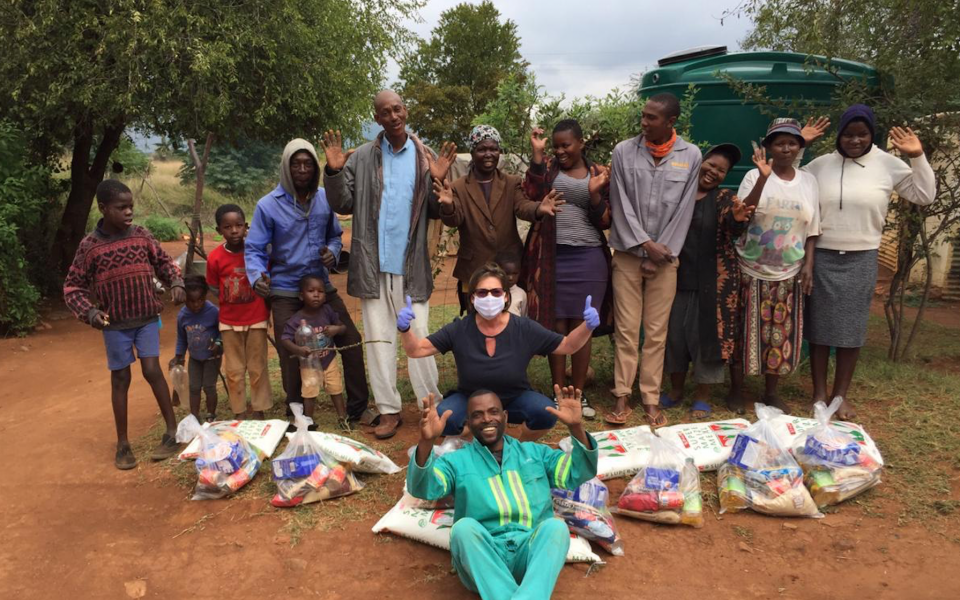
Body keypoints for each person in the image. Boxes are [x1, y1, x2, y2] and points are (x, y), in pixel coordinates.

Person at [321, 89, 458, 439]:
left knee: (421, 339)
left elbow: (437, 208)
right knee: (380, 340)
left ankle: (431, 404)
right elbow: (344, 202)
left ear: (405, 111)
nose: (393, 116)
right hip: (372, 266)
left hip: (412, 268)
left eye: (397, 109)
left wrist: (439, 180)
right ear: (377, 118)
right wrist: (335, 173)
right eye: (385, 112)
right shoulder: (363, 156)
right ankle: (388, 410)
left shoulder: (425, 157)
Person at [804, 105, 936, 419]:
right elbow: (788, 182)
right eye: (848, 134)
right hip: (821, 255)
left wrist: (917, 157)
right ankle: (820, 394)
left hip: (861, 256)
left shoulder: (887, 164)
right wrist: (801, 146)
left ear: (871, 135)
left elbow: (924, 194)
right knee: (820, 328)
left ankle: (840, 396)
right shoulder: (820, 165)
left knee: (852, 329)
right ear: (839, 134)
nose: (854, 140)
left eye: (862, 134)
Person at [407, 385, 598, 600]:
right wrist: (426, 441)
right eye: (477, 415)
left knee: (556, 528)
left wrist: (576, 427)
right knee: (463, 529)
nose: (487, 419)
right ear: (468, 424)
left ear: (505, 416)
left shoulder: (536, 453)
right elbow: (423, 488)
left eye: (493, 412)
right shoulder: (456, 461)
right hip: (484, 560)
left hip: (530, 557)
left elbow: (578, 472)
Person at [399, 262, 600, 440]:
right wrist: (405, 329)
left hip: (515, 396)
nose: (489, 297)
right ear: (472, 298)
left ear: (505, 297)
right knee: (445, 418)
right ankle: (470, 439)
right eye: (482, 292)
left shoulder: (524, 328)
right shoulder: (459, 329)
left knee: (545, 412)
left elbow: (568, 346)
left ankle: (519, 447)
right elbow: (416, 350)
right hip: (470, 398)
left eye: (495, 292)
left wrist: (587, 327)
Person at [246, 139, 369, 424]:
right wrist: (255, 277)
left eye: (308, 164)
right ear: (286, 168)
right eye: (296, 164)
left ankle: (358, 407)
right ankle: (297, 411)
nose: (302, 169)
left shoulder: (326, 198)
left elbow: (335, 235)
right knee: (290, 348)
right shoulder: (267, 206)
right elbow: (253, 248)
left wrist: (333, 252)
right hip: (286, 288)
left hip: (321, 288)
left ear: (315, 168)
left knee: (350, 339)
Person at [63, 180, 185, 470]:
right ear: (103, 209)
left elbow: (165, 262)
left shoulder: (142, 236)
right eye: (121, 207)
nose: (129, 211)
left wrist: (176, 282)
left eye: (131, 206)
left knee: (152, 369)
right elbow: (72, 287)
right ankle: (123, 444)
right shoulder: (90, 246)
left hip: (146, 318)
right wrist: (89, 312)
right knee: (120, 379)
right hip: (115, 324)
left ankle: (171, 432)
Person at [606, 93, 702, 427]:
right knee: (627, 330)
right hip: (629, 256)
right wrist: (646, 245)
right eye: (643, 116)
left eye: (652, 118)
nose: (644, 123)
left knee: (657, 333)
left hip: (666, 259)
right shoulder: (623, 151)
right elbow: (620, 203)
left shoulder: (690, 156)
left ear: (671, 121)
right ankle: (622, 397)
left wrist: (661, 252)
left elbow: (684, 210)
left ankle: (650, 398)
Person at [521, 120, 613, 420]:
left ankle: (578, 393)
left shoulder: (598, 172)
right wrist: (537, 156)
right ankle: (559, 392)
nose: (560, 151)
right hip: (552, 257)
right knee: (556, 325)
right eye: (556, 146)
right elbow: (531, 193)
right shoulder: (547, 169)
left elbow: (606, 220)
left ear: (580, 143)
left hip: (589, 258)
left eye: (566, 145)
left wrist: (596, 194)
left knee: (582, 325)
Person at [729, 118, 821, 414]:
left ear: (799, 147)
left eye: (792, 142)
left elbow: (813, 226)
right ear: (768, 146)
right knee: (742, 332)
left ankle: (770, 393)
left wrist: (809, 264)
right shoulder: (752, 176)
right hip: (750, 269)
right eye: (779, 142)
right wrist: (762, 178)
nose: (786, 148)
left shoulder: (808, 181)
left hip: (788, 273)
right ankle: (736, 390)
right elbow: (742, 214)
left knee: (779, 334)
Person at [661, 144, 755, 418]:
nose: (713, 172)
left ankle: (702, 395)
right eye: (711, 165)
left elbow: (733, 225)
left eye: (721, 170)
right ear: (699, 162)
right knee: (675, 336)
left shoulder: (725, 198)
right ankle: (676, 390)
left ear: (725, 176)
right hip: (674, 277)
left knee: (707, 339)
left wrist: (739, 218)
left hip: (713, 283)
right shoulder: (679, 193)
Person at [433, 124, 561, 314]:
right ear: (473, 151)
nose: (488, 154)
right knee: (477, 323)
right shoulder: (458, 187)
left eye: (493, 149)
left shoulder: (511, 182)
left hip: (508, 267)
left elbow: (522, 207)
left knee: (509, 321)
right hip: (474, 268)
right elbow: (454, 219)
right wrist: (448, 205)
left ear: (499, 151)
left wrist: (538, 208)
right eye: (482, 149)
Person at [205, 204, 272, 419]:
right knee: (233, 370)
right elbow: (214, 287)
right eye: (227, 227)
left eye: (238, 225)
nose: (234, 231)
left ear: (246, 227)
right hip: (229, 321)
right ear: (219, 231)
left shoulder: (257, 253)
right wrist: (231, 298)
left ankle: (259, 408)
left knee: (257, 366)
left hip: (256, 319)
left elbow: (267, 281)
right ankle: (239, 411)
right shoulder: (215, 258)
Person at [280, 275, 348, 428]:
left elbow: (342, 327)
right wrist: (298, 350)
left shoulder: (327, 311)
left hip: (328, 359)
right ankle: (309, 420)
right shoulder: (297, 319)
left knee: (335, 388)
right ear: (301, 296)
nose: (316, 294)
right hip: (309, 363)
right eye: (311, 291)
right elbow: (285, 339)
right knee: (309, 390)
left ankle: (342, 417)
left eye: (321, 291)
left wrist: (336, 329)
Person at [171, 275, 223, 422]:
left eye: (199, 300)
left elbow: (222, 332)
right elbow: (182, 338)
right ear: (185, 299)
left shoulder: (213, 312)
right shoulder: (183, 316)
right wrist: (179, 356)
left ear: (205, 296)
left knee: (209, 386)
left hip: (212, 357)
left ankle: (211, 415)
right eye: (191, 301)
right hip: (194, 358)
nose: (196, 305)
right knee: (193, 387)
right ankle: (194, 416)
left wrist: (219, 343)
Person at [496, 251, 526, 318]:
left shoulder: (521, 293)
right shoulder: (493, 292)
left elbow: (524, 315)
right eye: (507, 273)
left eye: (515, 273)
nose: (511, 278)